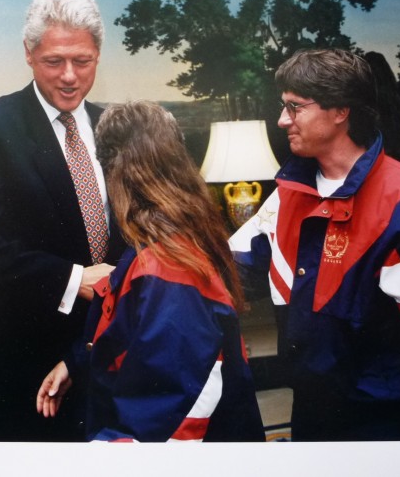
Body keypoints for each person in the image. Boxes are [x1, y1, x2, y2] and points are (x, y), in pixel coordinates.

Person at [229, 48, 400, 441]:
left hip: (382, 422)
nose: (282, 120)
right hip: (311, 414)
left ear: (340, 110)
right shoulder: (289, 193)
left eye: (294, 108)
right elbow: (228, 266)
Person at [0, 0, 126, 441]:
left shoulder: (116, 129)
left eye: (82, 62)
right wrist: (71, 279)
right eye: (53, 61)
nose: (68, 76)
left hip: (111, 354)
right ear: (28, 53)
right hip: (19, 366)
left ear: (98, 54)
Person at [36, 100, 265, 442]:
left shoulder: (166, 265)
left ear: (115, 172)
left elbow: (172, 413)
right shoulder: (171, 242)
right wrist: (77, 361)